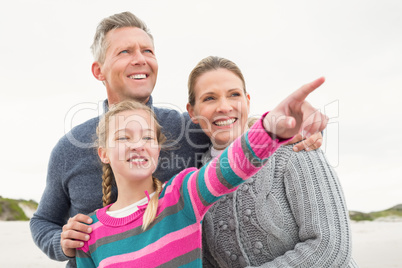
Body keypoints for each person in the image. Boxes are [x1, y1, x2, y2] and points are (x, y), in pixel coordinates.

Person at [30, 11, 320, 267]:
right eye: (125, 52)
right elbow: (42, 221)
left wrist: (287, 125)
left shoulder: (186, 136)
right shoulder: (70, 148)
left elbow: (236, 141)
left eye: (147, 50)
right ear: (98, 71)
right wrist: (64, 242)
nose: (140, 59)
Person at [75, 74, 328, 267]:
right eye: (123, 138)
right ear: (103, 154)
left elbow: (233, 164)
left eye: (148, 137)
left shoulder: (180, 197)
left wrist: (270, 128)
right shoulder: (89, 233)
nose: (138, 145)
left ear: (158, 149)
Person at [186, 56, 358, 267]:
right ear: (192, 112)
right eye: (209, 98)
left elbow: (331, 248)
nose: (224, 107)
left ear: (247, 101)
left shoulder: (293, 147)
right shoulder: (195, 184)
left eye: (234, 95)